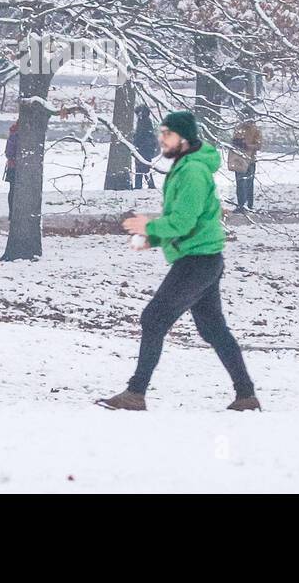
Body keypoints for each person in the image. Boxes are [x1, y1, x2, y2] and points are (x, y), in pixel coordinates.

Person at [102, 110, 259, 412]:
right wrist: (153, 239)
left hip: (198, 261)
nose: (161, 139)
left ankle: (136, 393)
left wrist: (148, 226)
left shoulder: (192, 173)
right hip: (201, 258)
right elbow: (185, 221)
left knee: (153, 318)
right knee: (213, 330)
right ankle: (246, 395)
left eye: (168, 134)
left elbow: (184, 221)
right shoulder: (186, 167)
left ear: (184, 139)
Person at [229, 109, 262, 212]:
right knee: (240, 183)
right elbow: (233, 141)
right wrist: (236, 143)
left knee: (248, 183)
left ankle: (248, 205)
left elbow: (259, 145)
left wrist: (248, 146)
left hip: (250, 160)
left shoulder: (255, 130)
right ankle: (241, 205)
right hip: (239, 159)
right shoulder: (238, 128)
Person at [132, 104, 159, 189]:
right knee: (141, 167)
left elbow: (143, 135)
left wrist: (136, 141)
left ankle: (146, 185)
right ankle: (141, 185)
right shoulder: (142, 121)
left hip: (144, 148)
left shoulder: (145, 121)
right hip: (143, 148)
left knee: (144, 167)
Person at [3, 121, 19, 216]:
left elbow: (8, 152)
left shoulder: (13, 132)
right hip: (15, 167)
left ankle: (12, 212)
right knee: (13, 190)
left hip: (12, 166)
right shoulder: (15, 133)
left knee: (12, 190)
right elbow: (9, 153)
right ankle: (12, 212)